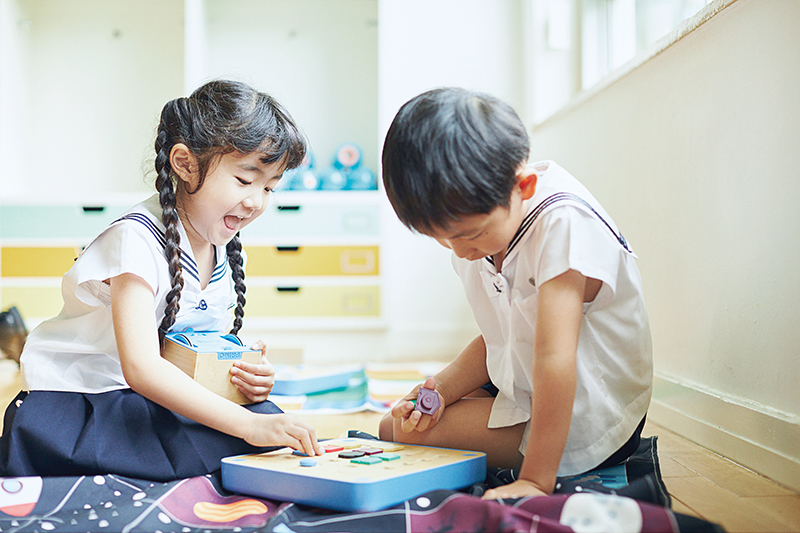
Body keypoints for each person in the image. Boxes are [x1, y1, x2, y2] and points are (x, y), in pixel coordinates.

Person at [0, 80, 323, 481]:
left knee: (268, 426)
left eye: (269, 187)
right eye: (245, 180)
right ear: (185, 164)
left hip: (150, 392)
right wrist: (249, 426)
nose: (256, 201)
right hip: (89, 400)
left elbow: (186, 347)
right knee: (239, 438)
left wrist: (245, 375)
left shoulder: (217, 241)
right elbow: (141, 368)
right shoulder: (135, 239)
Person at [378, 87, 652, 500]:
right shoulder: (485, 227)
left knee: (396, 430)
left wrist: (534, 482)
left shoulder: (562, 226)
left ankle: (538, 464)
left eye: (468, 235)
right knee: (405, 420)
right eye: (441, 238)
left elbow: (555, 360)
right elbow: (504, 337)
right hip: (529, 385)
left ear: (523, 186)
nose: (459, 251)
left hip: (588, 418)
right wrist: (442, 389)